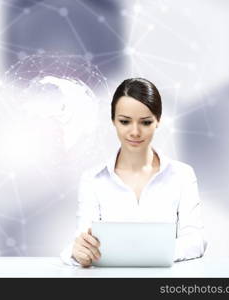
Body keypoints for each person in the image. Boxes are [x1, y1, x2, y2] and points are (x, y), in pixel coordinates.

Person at [60, 78, 207, 267]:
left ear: (158, 121)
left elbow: (196, 240)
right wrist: (78, 252)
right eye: (125, 121)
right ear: (113, 121)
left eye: (145, 122)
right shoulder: (93, 179)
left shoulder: (182, 175)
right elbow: (83, 241)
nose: (135, 132)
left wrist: (145, 253)